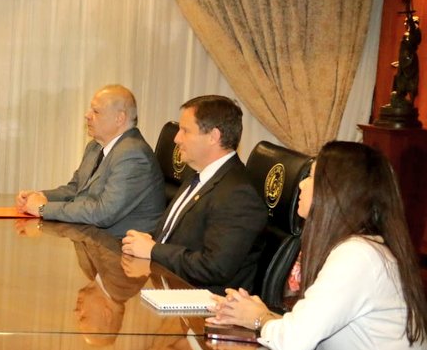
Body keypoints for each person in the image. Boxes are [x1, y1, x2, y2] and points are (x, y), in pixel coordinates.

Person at [208, 141, 427, 350]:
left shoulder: (358, 256)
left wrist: (258, 318)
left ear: (337, 192)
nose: (300, 186)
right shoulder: (357, 248)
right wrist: (257, 315)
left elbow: (294, 341)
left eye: (311, 177)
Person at [121, 95, 266, 294]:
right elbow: (174, 237)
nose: (176, 138)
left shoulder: (238, 194)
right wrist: (147, 240)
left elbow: (214, 268)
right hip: (168, 286)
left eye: (185, 131)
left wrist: (153, 250)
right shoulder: (198, 174)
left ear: (213, 136)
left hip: (203, 309)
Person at [15, 84, 164, 237]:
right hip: (92, 239)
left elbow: (103, 213)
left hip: (120, 249)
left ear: (119, 118)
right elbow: (75, 189)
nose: (87, 115)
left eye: (96, 111)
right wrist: (39, 197)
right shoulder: (95, 146)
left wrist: (43, 208)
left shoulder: (133, 155)